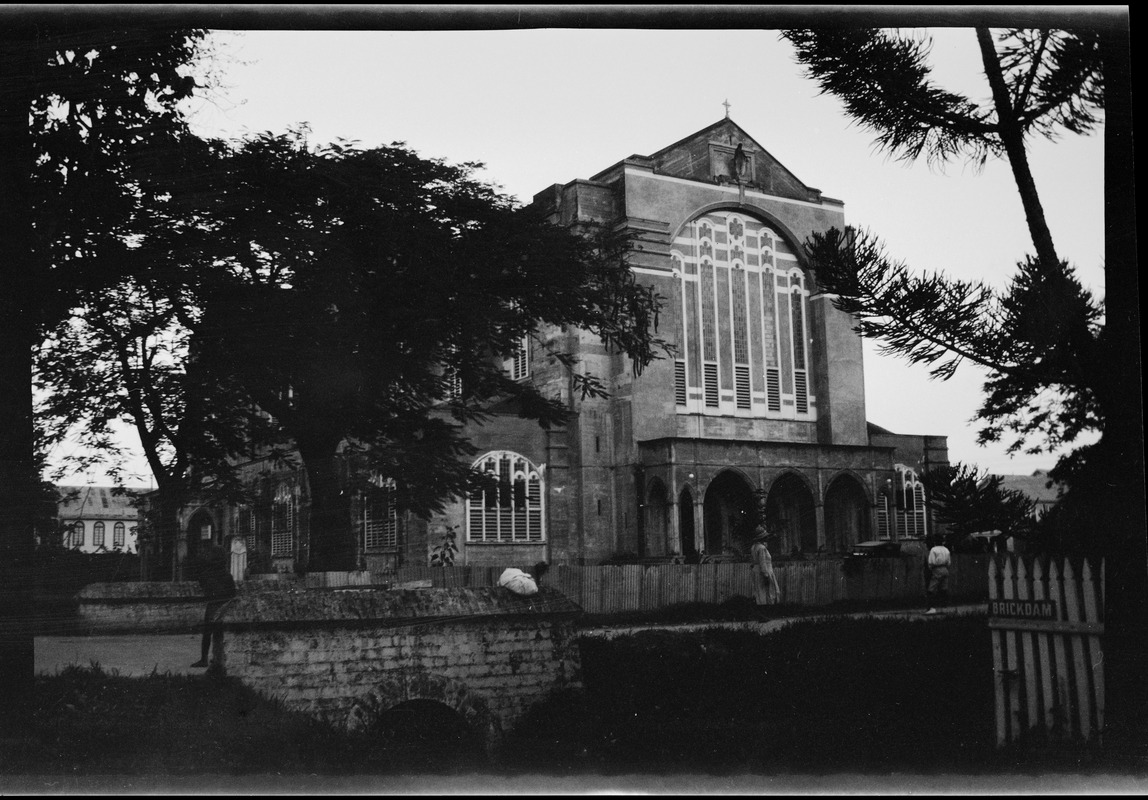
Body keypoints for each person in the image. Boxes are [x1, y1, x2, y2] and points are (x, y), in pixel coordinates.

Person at [190, 545, 237, 668]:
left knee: (208, 632)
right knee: (217, 633)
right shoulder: (226, 574)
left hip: (214, 604)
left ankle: (205, 659)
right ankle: (217, 658)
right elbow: (233, 592)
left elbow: (206, 589)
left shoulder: (207, 574)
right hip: (224, 604)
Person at [750, 527, 780, 606]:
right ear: (762, 537)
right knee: (767, 591)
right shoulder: (762, 548)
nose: (767, 538)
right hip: (763, 572)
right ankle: (765, 610)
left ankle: (761, 608)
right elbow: (762, 562)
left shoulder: (754, 547)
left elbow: (753, 562)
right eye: (765, 536)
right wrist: (766, 575)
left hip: (756, 571)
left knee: (759, 591)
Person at [924, 537, 952, 614]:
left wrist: (931, 569)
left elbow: (931, 561)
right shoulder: (946, 550)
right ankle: (944, 607)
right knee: (944, 588)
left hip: (937, 568)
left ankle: (931, 608)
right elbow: (949, 562)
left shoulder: (934, 550)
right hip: (945, 569)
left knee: (931, 589)